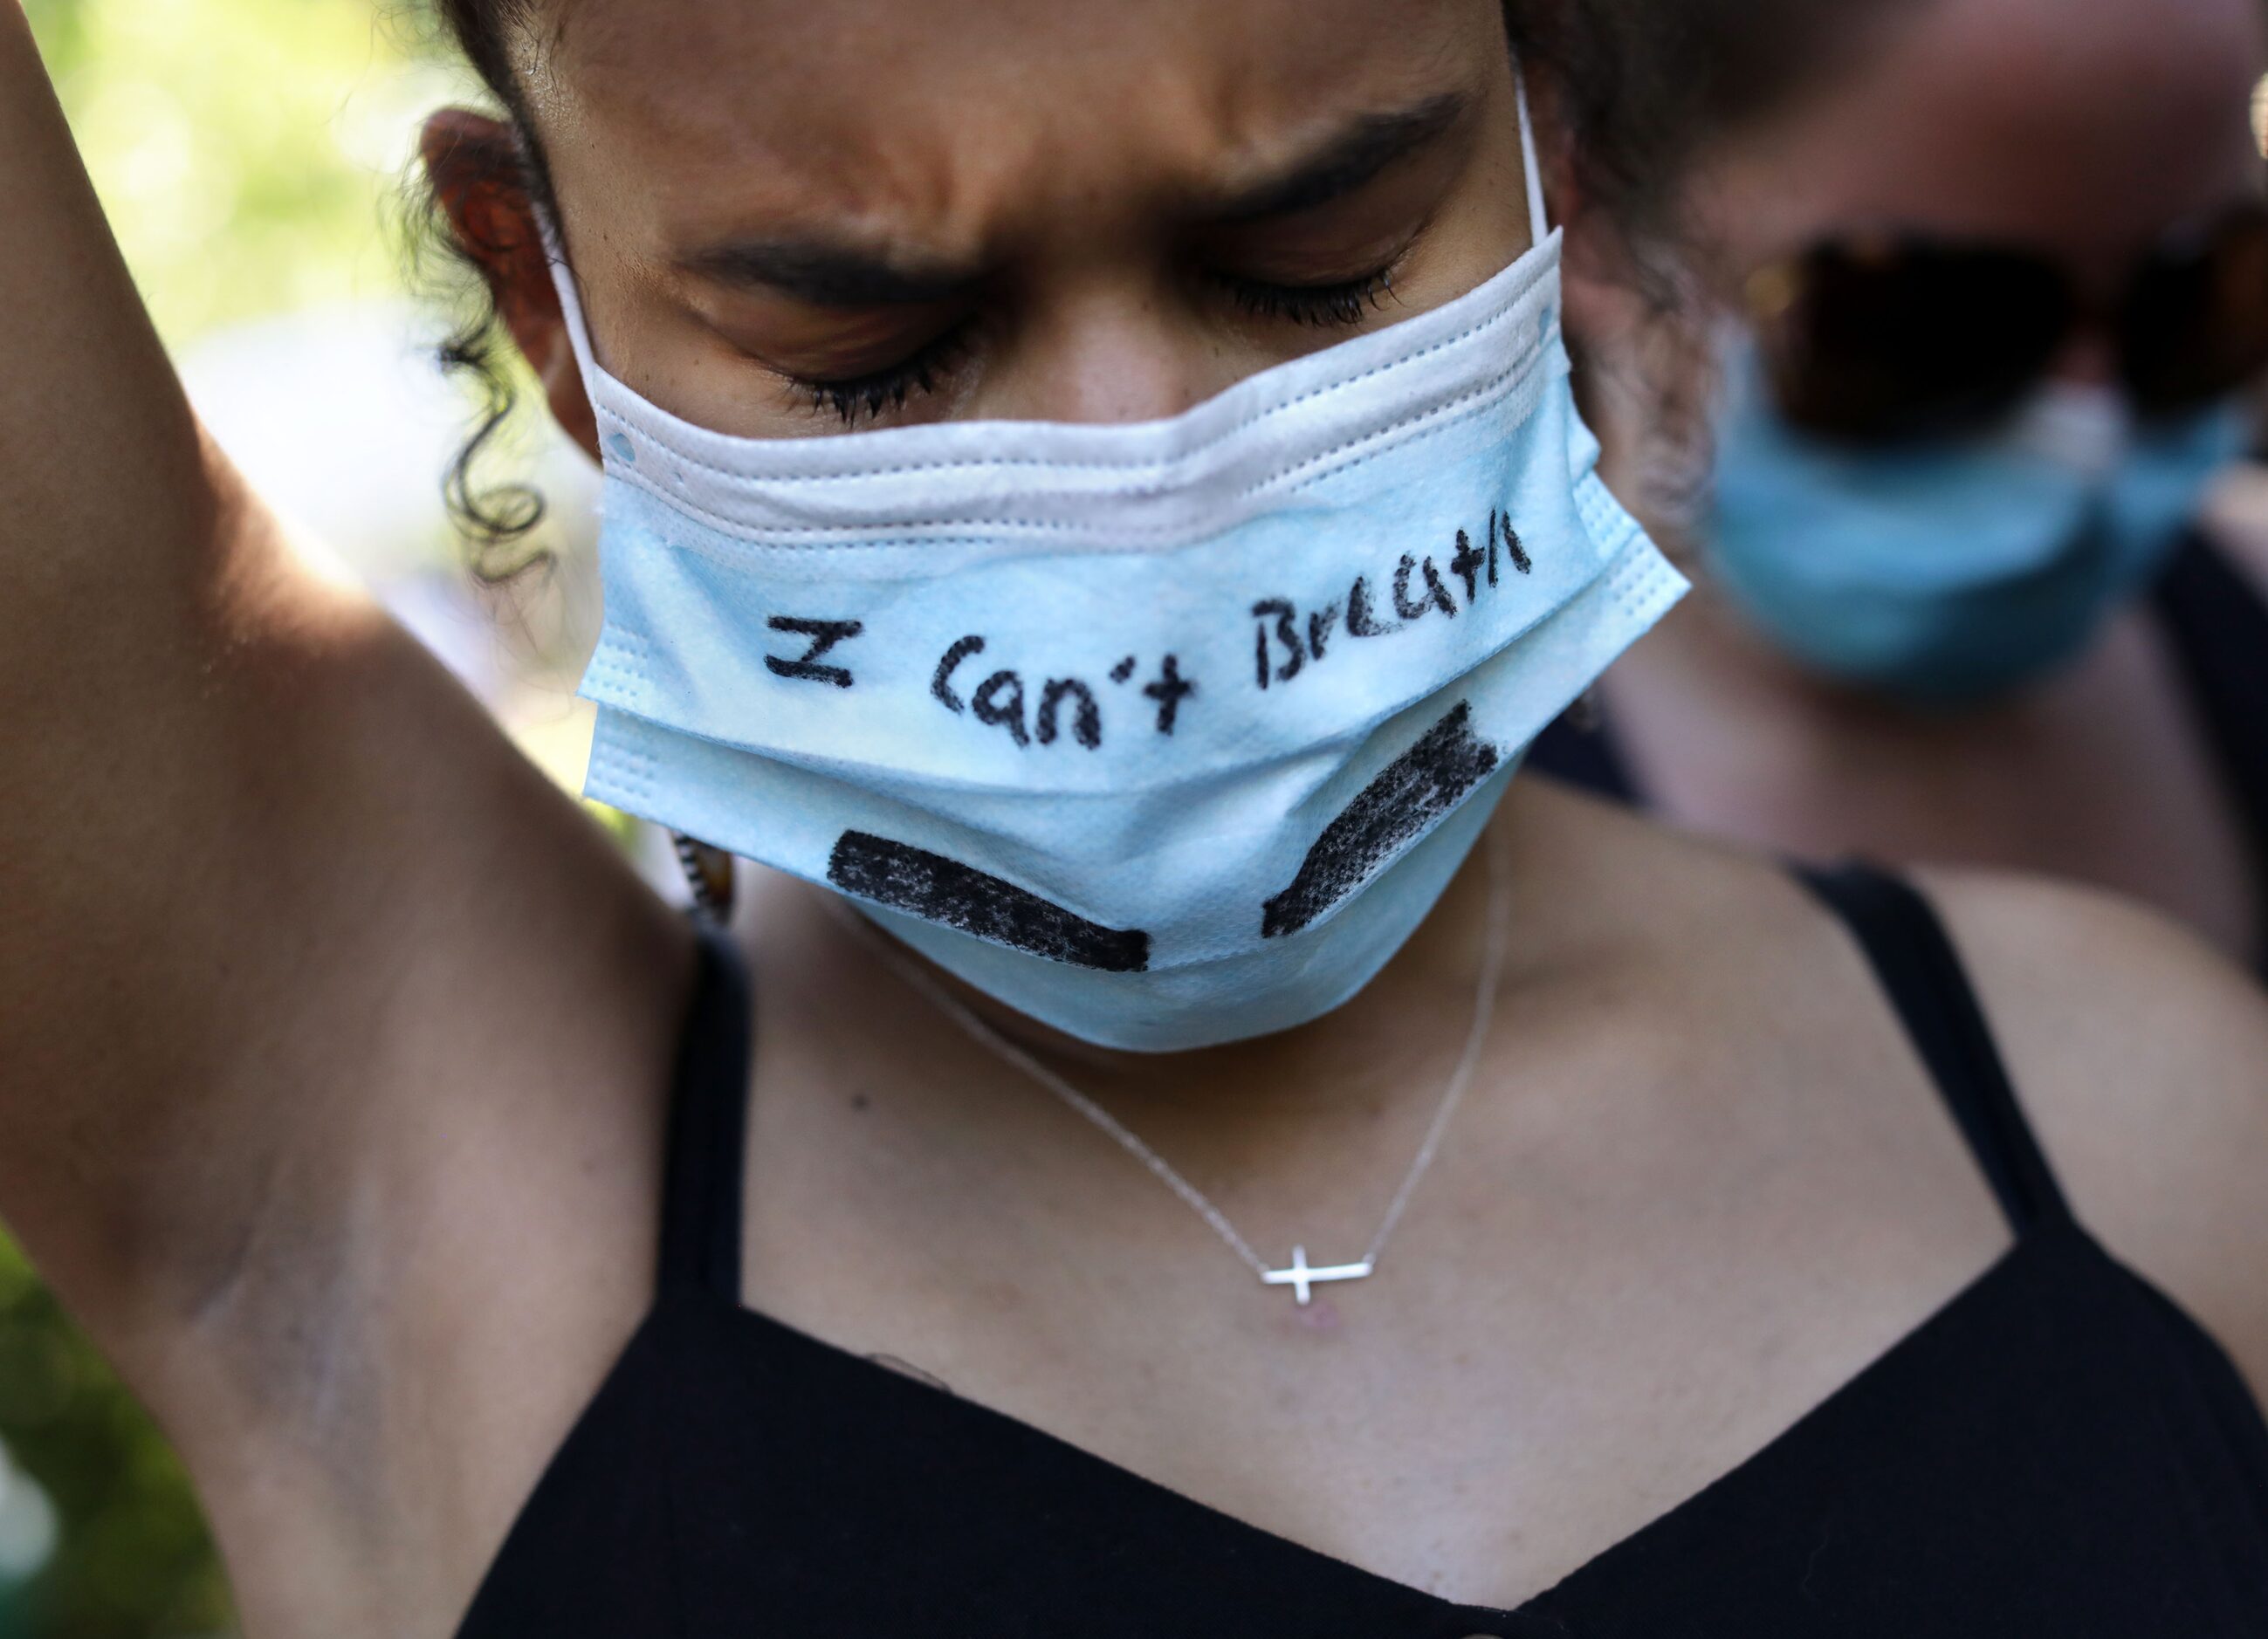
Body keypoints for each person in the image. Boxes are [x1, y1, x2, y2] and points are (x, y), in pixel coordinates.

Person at [3, 1, 2266, 1635]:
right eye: (869, 340)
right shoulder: (385, 1176)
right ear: (544, 296)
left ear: (1541, 126)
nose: (1138, 479)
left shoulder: (2140, 1111)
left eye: (1309, 260)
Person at [1530, 0, 2268, 975]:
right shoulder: (1427, 848)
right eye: (1932, 324)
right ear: (1593, 214)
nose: (2086, 433)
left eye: (2199, 292)